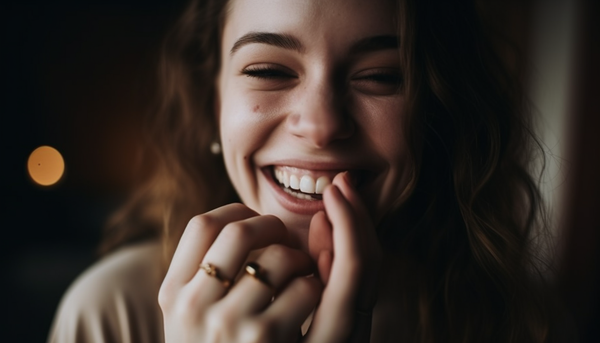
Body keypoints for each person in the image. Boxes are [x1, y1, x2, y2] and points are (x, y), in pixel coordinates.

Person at [48, 0, 562, 342]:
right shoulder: (108, 315)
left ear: (438, 113)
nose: (320, 125)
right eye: (268, 70)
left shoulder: (511, 324)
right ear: (212, 102)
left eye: (381, 76)